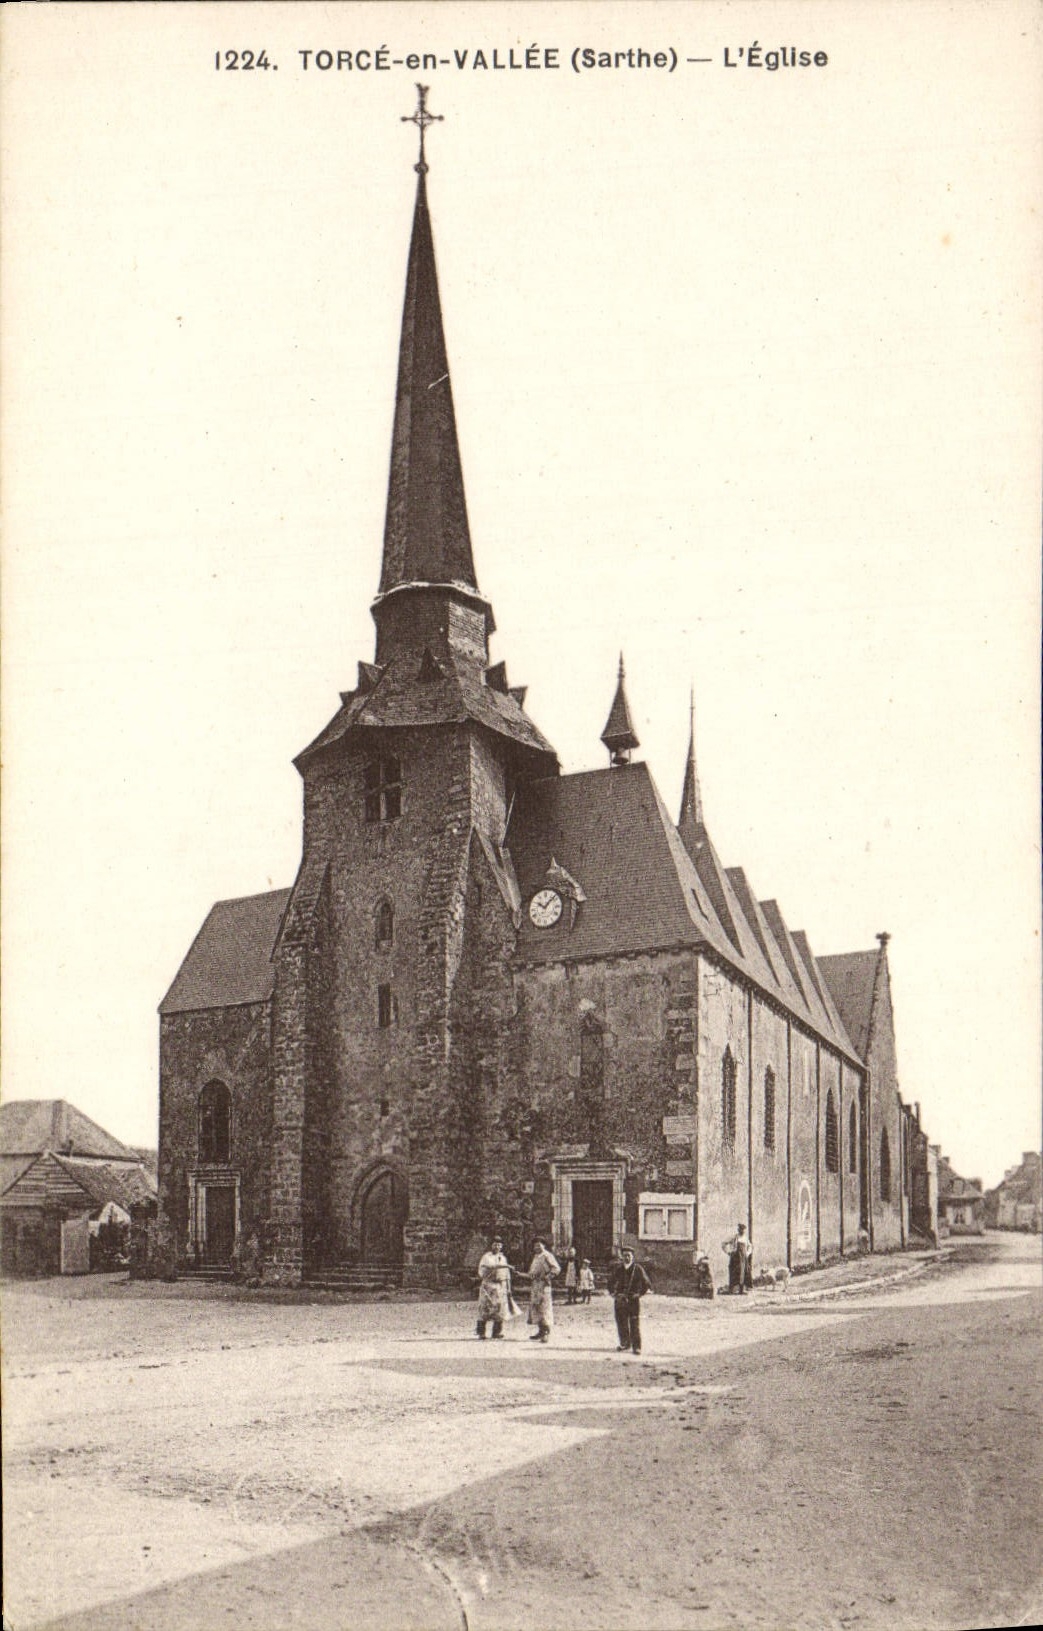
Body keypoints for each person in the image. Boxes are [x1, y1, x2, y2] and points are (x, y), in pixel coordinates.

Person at [609, 1245, 652, 1354]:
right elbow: (610, 1283)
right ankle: (625, 1344)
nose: (626, 1258)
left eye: (629, 1256)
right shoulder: (618, 1269)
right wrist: (614, 1294)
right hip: (620, 1300)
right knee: (621, 1322)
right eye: (624, 1256)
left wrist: (639, 1294)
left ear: (632, 1257)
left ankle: (637, 1347)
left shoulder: (638, 1269)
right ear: (622, 1257)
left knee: (634, 1323)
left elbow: (647, 1284)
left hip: (633, 1301)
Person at [475, 1236, 511, 1339]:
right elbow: (491, 1266)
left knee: (499, 1309)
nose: (497, 1247)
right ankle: (481, 1332)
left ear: (502, 1246)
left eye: (499, 1245)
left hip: (500, 1285)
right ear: (491, 1245)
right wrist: (506, 1266)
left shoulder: (503, 1258)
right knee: (485, 1308)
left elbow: (507, 1274)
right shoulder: (487, 1257)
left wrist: (508, 1288)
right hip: (488, 1285)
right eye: (495, 1244)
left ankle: (496, 1332)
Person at [526, 1238, 560, 1342]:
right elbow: (533, 1270)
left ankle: (546, 1333)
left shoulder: (547, 1255)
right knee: (536, 1307)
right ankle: (540, 1331)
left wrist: (548, 1276)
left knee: (544, 1308)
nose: (537, 1247)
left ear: (544, 1245)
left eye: (539, 1245)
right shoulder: (536, 1256)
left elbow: (556, 1268)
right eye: (535, 1245)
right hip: (535, 1285)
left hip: (544, 1285)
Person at [722, 1222, 753, 1293]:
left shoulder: (745, 1238)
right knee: (734, 1273)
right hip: (735, 1258)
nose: (742, 1231)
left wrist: (747, 1253)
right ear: (738, 1230)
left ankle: (741, 1290)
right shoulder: (734, 1237)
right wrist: (728, 1252)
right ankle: (732, 1290)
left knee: (743, 1272)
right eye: (741, 1229)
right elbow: (723, 1243)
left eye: (743, 1230)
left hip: (743, 1259)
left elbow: (750, 1247)